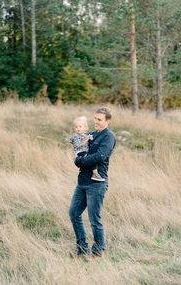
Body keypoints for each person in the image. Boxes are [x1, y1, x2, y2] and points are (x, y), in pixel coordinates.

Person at [69, 107, 116, 261]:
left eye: (99, 119)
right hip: (82, 181)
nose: (96, 121)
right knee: (74, 213)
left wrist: (80, 160)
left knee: (94, 218)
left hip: (97, 183)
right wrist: (78, 158)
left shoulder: (108, 137)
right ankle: (82, 250)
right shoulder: (90, 135)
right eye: (95, 118)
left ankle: (98, 252)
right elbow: (78, 151)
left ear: (107, 121)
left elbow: (100, 157)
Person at [67, 116, 105, 182]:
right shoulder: (76, 136)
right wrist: (86, 139)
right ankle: (95, 173)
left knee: (92, 157)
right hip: (79, 152)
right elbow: (79, 145)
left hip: (83, 152)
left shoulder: (85, 135)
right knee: (91, 158)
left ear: (85, 127)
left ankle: (93, 173)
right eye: (76, 127)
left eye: (80, 126)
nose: (78, 128)